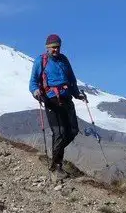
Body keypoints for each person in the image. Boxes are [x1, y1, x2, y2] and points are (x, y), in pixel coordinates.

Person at [29, 33, 87, 179]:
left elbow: (72, 80)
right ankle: (56, 166)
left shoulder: (64, 60)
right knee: (59, 132)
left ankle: (55, 155)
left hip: (67, 98)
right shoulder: (40, 61)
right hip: (51, 100)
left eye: (58, 47)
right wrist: (36, 93)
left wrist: (77, 94)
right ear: (47, 47)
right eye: (53, 47)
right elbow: (33, 82)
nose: (56, 50)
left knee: (73, 130)